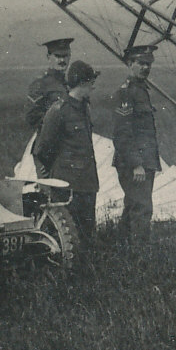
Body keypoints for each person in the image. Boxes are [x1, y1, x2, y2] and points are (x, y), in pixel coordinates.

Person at [32, 60, 101, 238]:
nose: (93, 88)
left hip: (86, 186)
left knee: (87, 237)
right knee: (68, 236)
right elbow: (43, 150)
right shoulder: (58, 111)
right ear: (83, 83)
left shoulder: (84, 109)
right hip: (67, 188)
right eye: (91, 83)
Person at [108, 44, 161, 246]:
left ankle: (121, 250)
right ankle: (141, 255)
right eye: (141, 63)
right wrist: (136, 164)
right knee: (142, 208)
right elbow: (122, 134)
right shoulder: (126, 93)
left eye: (148, 64)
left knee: (133, 206)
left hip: (144, 161)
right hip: (135, 164)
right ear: (130, 64)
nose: (145, 68)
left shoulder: (140, 91)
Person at [25, 37, 74, 131]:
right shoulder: (40, 84)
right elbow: (32, 118)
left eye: (65, 56)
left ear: (70, 56)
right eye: (57, 56)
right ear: (48, 57)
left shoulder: (70, 84)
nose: (62, 60)